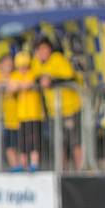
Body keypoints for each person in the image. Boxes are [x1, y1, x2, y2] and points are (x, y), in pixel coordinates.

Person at [33, 37, 83, 171]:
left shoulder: (57, 58)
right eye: (40, 49)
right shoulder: (37, 62)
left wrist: (51, 80)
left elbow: (69, 75)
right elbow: (35, 77)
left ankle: (81, 171)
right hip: (54, 111)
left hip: (70, 108)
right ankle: (62, 173)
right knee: (59, 144)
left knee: (75, 142)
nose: (43, 52)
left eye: (45, 48)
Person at [10, 51, 43, 171]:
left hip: (34, 114)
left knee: (34, 141)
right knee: (22, 142)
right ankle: (23, 164)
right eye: (20, 67)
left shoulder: (33, 73)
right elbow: (12, 87)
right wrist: (20, 85)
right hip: (21, 115)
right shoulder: (15, 75)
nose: (23, 69)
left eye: (25, 67)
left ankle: (34, 163)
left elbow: (28, 84)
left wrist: (21, 85)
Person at [0, 53, 22, 172]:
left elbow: (17, 85)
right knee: (9, 146)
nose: (9, 66)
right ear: (0, 65)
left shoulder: (16, 75)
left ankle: (22, 168)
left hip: (19, 117)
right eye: (6, 64)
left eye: (10, 64)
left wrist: (4, 84)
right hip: (5, 119)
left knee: (20, 146)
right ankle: (15, 168)